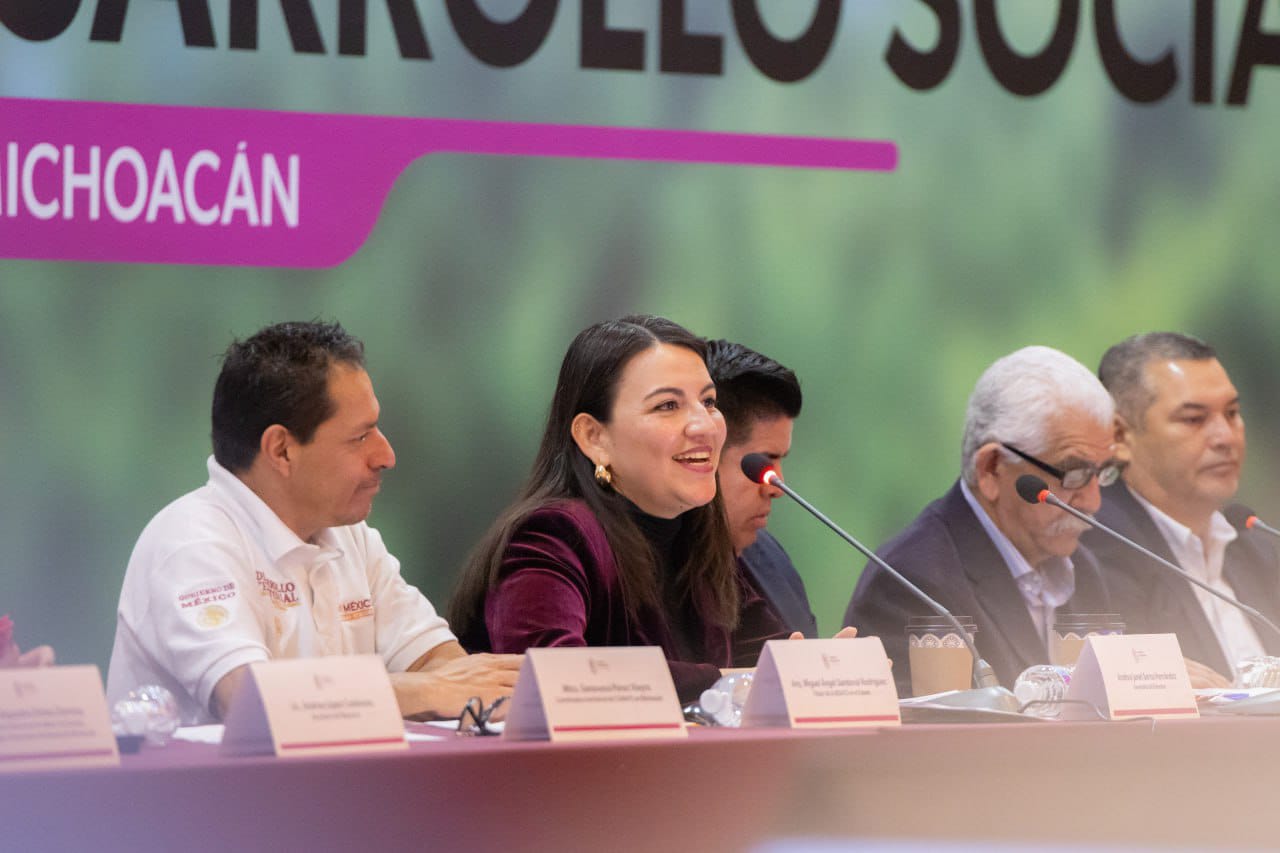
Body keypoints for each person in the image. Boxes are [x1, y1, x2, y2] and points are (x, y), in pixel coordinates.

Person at [107, 321, 520, 725]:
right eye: (360, 437)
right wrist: (428, 692)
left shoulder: (348, 533)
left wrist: (481, 686)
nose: (386, 456)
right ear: (282, 451)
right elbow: (249, 700)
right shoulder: (191, 541)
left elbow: (439, 662)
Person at [448, 315, 793, 702]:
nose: (704, 426)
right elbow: (561, 680)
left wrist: (816, 668)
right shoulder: (552, 537)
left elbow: (768, 660)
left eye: (709, 402)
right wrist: (725, 680)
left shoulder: (696, 536)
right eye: (667, 405)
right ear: (594, 437)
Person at [845, 346, 1117, 691]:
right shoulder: (913, 582)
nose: (1093, 501)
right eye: (1073, 474)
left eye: (1103, 473)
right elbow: (916, 724)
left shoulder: (1084, 570)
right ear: (992, 468)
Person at [1088, 332, 1280, 687]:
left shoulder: (1258, 550)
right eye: (1194, 419)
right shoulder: (1094, 554)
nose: (1225, 437)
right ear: (1119, 436)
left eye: (1232, 413)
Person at [704, 339, 817, 637]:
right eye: (763, 463)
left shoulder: (771, 559)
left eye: (781, 460)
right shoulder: (628, 569)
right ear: (702, 455)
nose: (777, 487)